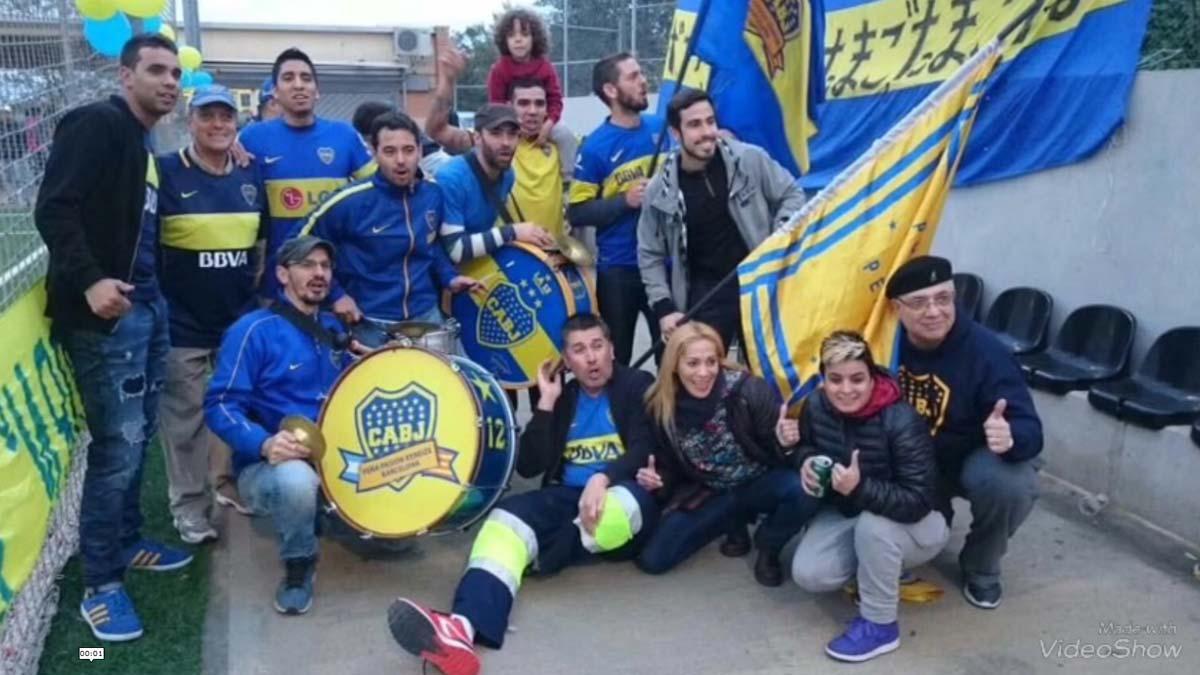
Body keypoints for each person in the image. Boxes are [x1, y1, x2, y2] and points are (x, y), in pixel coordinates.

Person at [386, 313, 660, 675]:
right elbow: (530, 466)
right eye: (579, 350)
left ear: (611, 349)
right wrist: (545, 403)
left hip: (624, 497)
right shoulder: (563, 397)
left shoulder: (636, 384)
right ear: (567, 359)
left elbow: (645, 445)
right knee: (504, 520)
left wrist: (603, 479)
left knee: (619, 510)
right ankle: (461, 628)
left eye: (597, 346)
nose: (591, 358)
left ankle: (542, 551)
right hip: (568, 499)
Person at [34, 33, 190, 642]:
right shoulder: (96, 123)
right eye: (156, 70)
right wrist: (93, 280)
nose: (170, 81)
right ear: (125, 76)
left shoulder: (142, 138)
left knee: (139, 435)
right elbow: (54, 208)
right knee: (117, 448)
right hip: (105, 317)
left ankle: (126, 545)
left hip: (146, 307)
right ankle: (101, 585)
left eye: (176, 72)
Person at [205, 236, 360, 615]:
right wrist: (264, 443)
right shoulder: (252, 330)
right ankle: (299, 563)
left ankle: (329, 513)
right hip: (270, 467)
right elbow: (219, 404)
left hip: (333, 459)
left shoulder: (333, 330)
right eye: (307, 265)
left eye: (325, 266)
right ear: (281, 274)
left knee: (395, 543)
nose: (319, 273)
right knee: (296, 482)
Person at [886, 255, 1043, 610]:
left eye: (943, 299)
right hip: (912, 462)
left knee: (1012, 482)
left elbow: (1030, 427)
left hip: (969, 456)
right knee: (905, 542)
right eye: (919, 302)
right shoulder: (882, 344)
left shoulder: (987, 353)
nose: (934, 311)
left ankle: (981, 568)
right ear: (896, 308)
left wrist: (1012, 436)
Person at [789, 331, 947, 662]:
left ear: (872, 376)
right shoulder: (816, 404)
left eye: (857, 379)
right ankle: (883, 570)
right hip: (851, 512)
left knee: (875, 528)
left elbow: (919, 499)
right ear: (823, 379)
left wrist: (859, 488)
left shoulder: (901, 419)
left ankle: (880, 626)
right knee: (810, 573)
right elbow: (806, 446)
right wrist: (804, 460)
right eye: (836, 380)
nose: (846, 390)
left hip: (919, 522)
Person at [157, 84, 268, 540]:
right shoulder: (165, 173)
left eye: (226, 117)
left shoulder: (249, 174)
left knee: (235, 411)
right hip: (181, 321)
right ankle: (189, 507)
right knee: (184, 419)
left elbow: (261, 245)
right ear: (191, 122)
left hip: (236, 321)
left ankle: (226, 485)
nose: (219, 125)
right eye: (208, 117)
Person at [635, 322, 818, 585]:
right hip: (711, 490)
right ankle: (732, 522)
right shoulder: (661, 406)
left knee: (805, 488)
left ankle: (768, 545)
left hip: (758, 482)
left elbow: (781, 455)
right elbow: (668, 467)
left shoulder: (748, 390)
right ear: (674, 365)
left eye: (711, 362)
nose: (704, 372)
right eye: (693, 363)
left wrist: (784, 442)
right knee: (654, 560)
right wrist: (656, 480)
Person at [638, 88, 806, 354]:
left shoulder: (750, 159)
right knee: (704, 378)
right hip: (705, 295)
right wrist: (664, 308)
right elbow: (649, 254)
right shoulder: (659, 190)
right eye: (694, 124)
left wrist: (778, 239)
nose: (707, 131)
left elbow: (792, 194)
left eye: (710, 121)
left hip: (760, 283)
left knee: (770, 370)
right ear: (675, 133)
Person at [300, 110, 479, 328]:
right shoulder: (348, 202)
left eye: (409, 150)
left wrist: (449, 277)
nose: (401, 160)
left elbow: (432, 246)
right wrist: (336, 295)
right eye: (390, 151)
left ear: (420, 151)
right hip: (369, 322)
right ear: (374, 152)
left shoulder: (433, 194)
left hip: (425, 317)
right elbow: (298, 245)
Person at [238, 48, 375, 299]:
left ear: (317, 90)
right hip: (277, 284)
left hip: (338, 282)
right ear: (275, 92)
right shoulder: (251, 138)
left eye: (306, 78)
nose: (299, 85)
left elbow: (377, 194)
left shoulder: (344, 136)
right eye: (288, 78)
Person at [568, 53, 663, 365]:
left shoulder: (661, 129)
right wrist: (626, 201)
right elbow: (578, 211)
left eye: (642, 73)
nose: (643, 81)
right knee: (617, 361)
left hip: (664, 264)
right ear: (611, 90)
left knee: (672, 355)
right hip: (618, 270)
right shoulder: (595, 146)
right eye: (633, 76)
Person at [433, 103, 554, 264]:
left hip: (477, 268)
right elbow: (455, 249)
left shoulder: (508, 175)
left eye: (512, 134)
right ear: (477, 138)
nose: (506, 142)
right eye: (496, 133)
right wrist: (512, 232)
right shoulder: (451, 178)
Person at [486, 7, 576, 179]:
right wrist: (515, 124)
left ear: (535, 38)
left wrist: (547, 126)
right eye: (512, 35)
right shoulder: (499, 70)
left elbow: (556, 101)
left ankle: (568, 180)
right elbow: (495, 105)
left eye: (524, 34)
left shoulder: (545, 67)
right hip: (510, 124)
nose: (518, 40)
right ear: (504, 40)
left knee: (566, 135)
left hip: (543, 123)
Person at [507, 78, 565, 239]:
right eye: (524, 103)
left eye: (539, 104)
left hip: (556, 256)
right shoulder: (497, 148)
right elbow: (443, 133)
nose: (532, 111)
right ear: (509, 107)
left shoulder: (560, 145)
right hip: (513, 255)